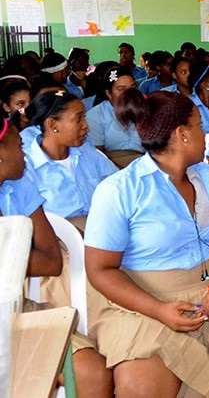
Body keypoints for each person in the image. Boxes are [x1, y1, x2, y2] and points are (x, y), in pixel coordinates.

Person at [85, 90, 209, 397]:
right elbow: (100, 270)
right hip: (143, 302)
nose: (204, 134)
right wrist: (159, 310)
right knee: (141, 385)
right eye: (199, 126)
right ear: (182, 135)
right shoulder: (119, 190)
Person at [0, 118, 114, 397]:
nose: (25, 154)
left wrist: (7, 256)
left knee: (92, 371)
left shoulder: (20, 187)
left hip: (16, 311)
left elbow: (52, 261)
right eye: (19, 147)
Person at [23, 90, 118, 229]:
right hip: (61, 238)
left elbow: (117, 184)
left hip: (104, 228)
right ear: (53, 124)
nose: (85, 125)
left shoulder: (86, 152)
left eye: (84, 117)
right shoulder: (27, 168)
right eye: (78, 119)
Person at [86, 67, 144, 167]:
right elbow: (97, 154)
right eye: (121, 89)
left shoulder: (148, 110)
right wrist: (121, 171)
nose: (128, 93)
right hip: (110, 166)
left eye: (133, 88)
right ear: (109, 93)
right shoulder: (96, 115)